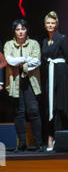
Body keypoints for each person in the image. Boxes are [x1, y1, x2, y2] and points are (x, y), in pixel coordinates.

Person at [4, 19, 43, 151]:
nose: (20, 32)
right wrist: (26, 59)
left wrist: (21, 62)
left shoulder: (34, 44)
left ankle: (38, 143)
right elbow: (10, 60)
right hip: (15, 82)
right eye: (18, 29)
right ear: (14, 31)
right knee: (19, 113)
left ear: (27, 30)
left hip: (30, 81)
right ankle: (22, 143)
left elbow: (37, 61)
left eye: (23, 29)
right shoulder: (9, 44)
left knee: (34, 111)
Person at [42, 11, 68, 151]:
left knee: (60, 105)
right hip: (50, 76)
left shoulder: (61, 38)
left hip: (62, 75)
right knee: (51, 106)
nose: (50, 25)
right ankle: (51, 137)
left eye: (52, 23)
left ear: (56, 24)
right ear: (45, 25)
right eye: (48, 23)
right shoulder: (45, 41)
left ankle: (61, 137)